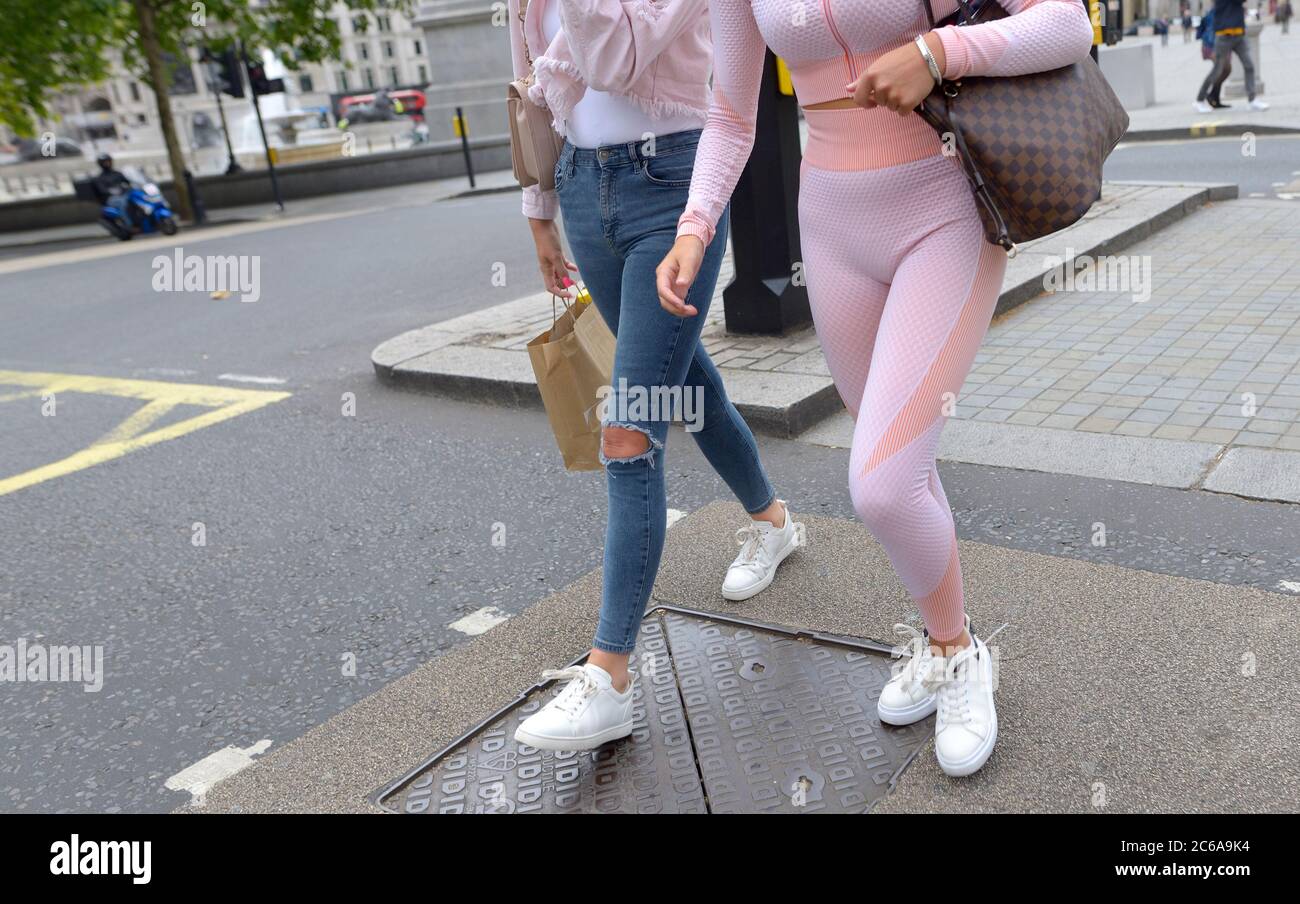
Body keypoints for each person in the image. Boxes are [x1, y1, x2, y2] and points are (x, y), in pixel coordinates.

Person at [657, 0, 1094, 777]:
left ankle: (961, 657)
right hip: (829, 223)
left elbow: (1068, 23)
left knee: (884, 483)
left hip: (944, 203)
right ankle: (938, 638)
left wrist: (937, 51)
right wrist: (694, 228)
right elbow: (730, 115)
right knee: (905, 464)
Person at [507, 0, 805, 752]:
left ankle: (608, 677)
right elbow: (529, 79)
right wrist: (540, 210)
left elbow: (615, 59)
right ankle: (773, 521)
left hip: (672, 185)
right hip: (581, 185)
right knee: (688, 385)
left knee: (630, 427)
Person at [1196, 0, 1269, 112]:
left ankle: (1252, 100)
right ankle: (1199, 100)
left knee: (1249, 65)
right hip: (1224, 36)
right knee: (1217, 70)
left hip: (1239, 34)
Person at [1196, 7, 1232, 107]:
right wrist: (1214, 49)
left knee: (1226, 69)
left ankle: (1214, 97)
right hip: (1212, 46)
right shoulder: (1217, 11)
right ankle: (1204, 97)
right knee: (1219, 70)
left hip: (1219, 45)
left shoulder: (1225, 9)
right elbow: (1211, 29)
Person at [91, 153, 134, 226]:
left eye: (108, 161)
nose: (107, 163)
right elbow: (102, 190)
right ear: (101, 164)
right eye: (105, 162)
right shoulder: (100, 178)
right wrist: (113, 191)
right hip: (112, 199)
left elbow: (128, 182)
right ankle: (129, 224)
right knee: (122, 204)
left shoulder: (117, 173)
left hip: (125, 195)